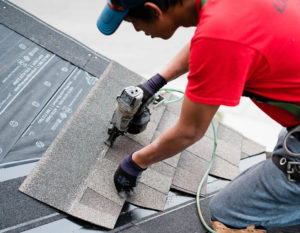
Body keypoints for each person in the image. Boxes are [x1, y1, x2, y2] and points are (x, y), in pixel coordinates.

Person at [97, 0, 300, 232]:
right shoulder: (218, 12)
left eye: (133, 23)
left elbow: (189, 131)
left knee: (227, 213)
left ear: (154, 9)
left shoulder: (219, 37)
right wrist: (154, 84)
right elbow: (208, 40)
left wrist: (134, 163)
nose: (139, 31)